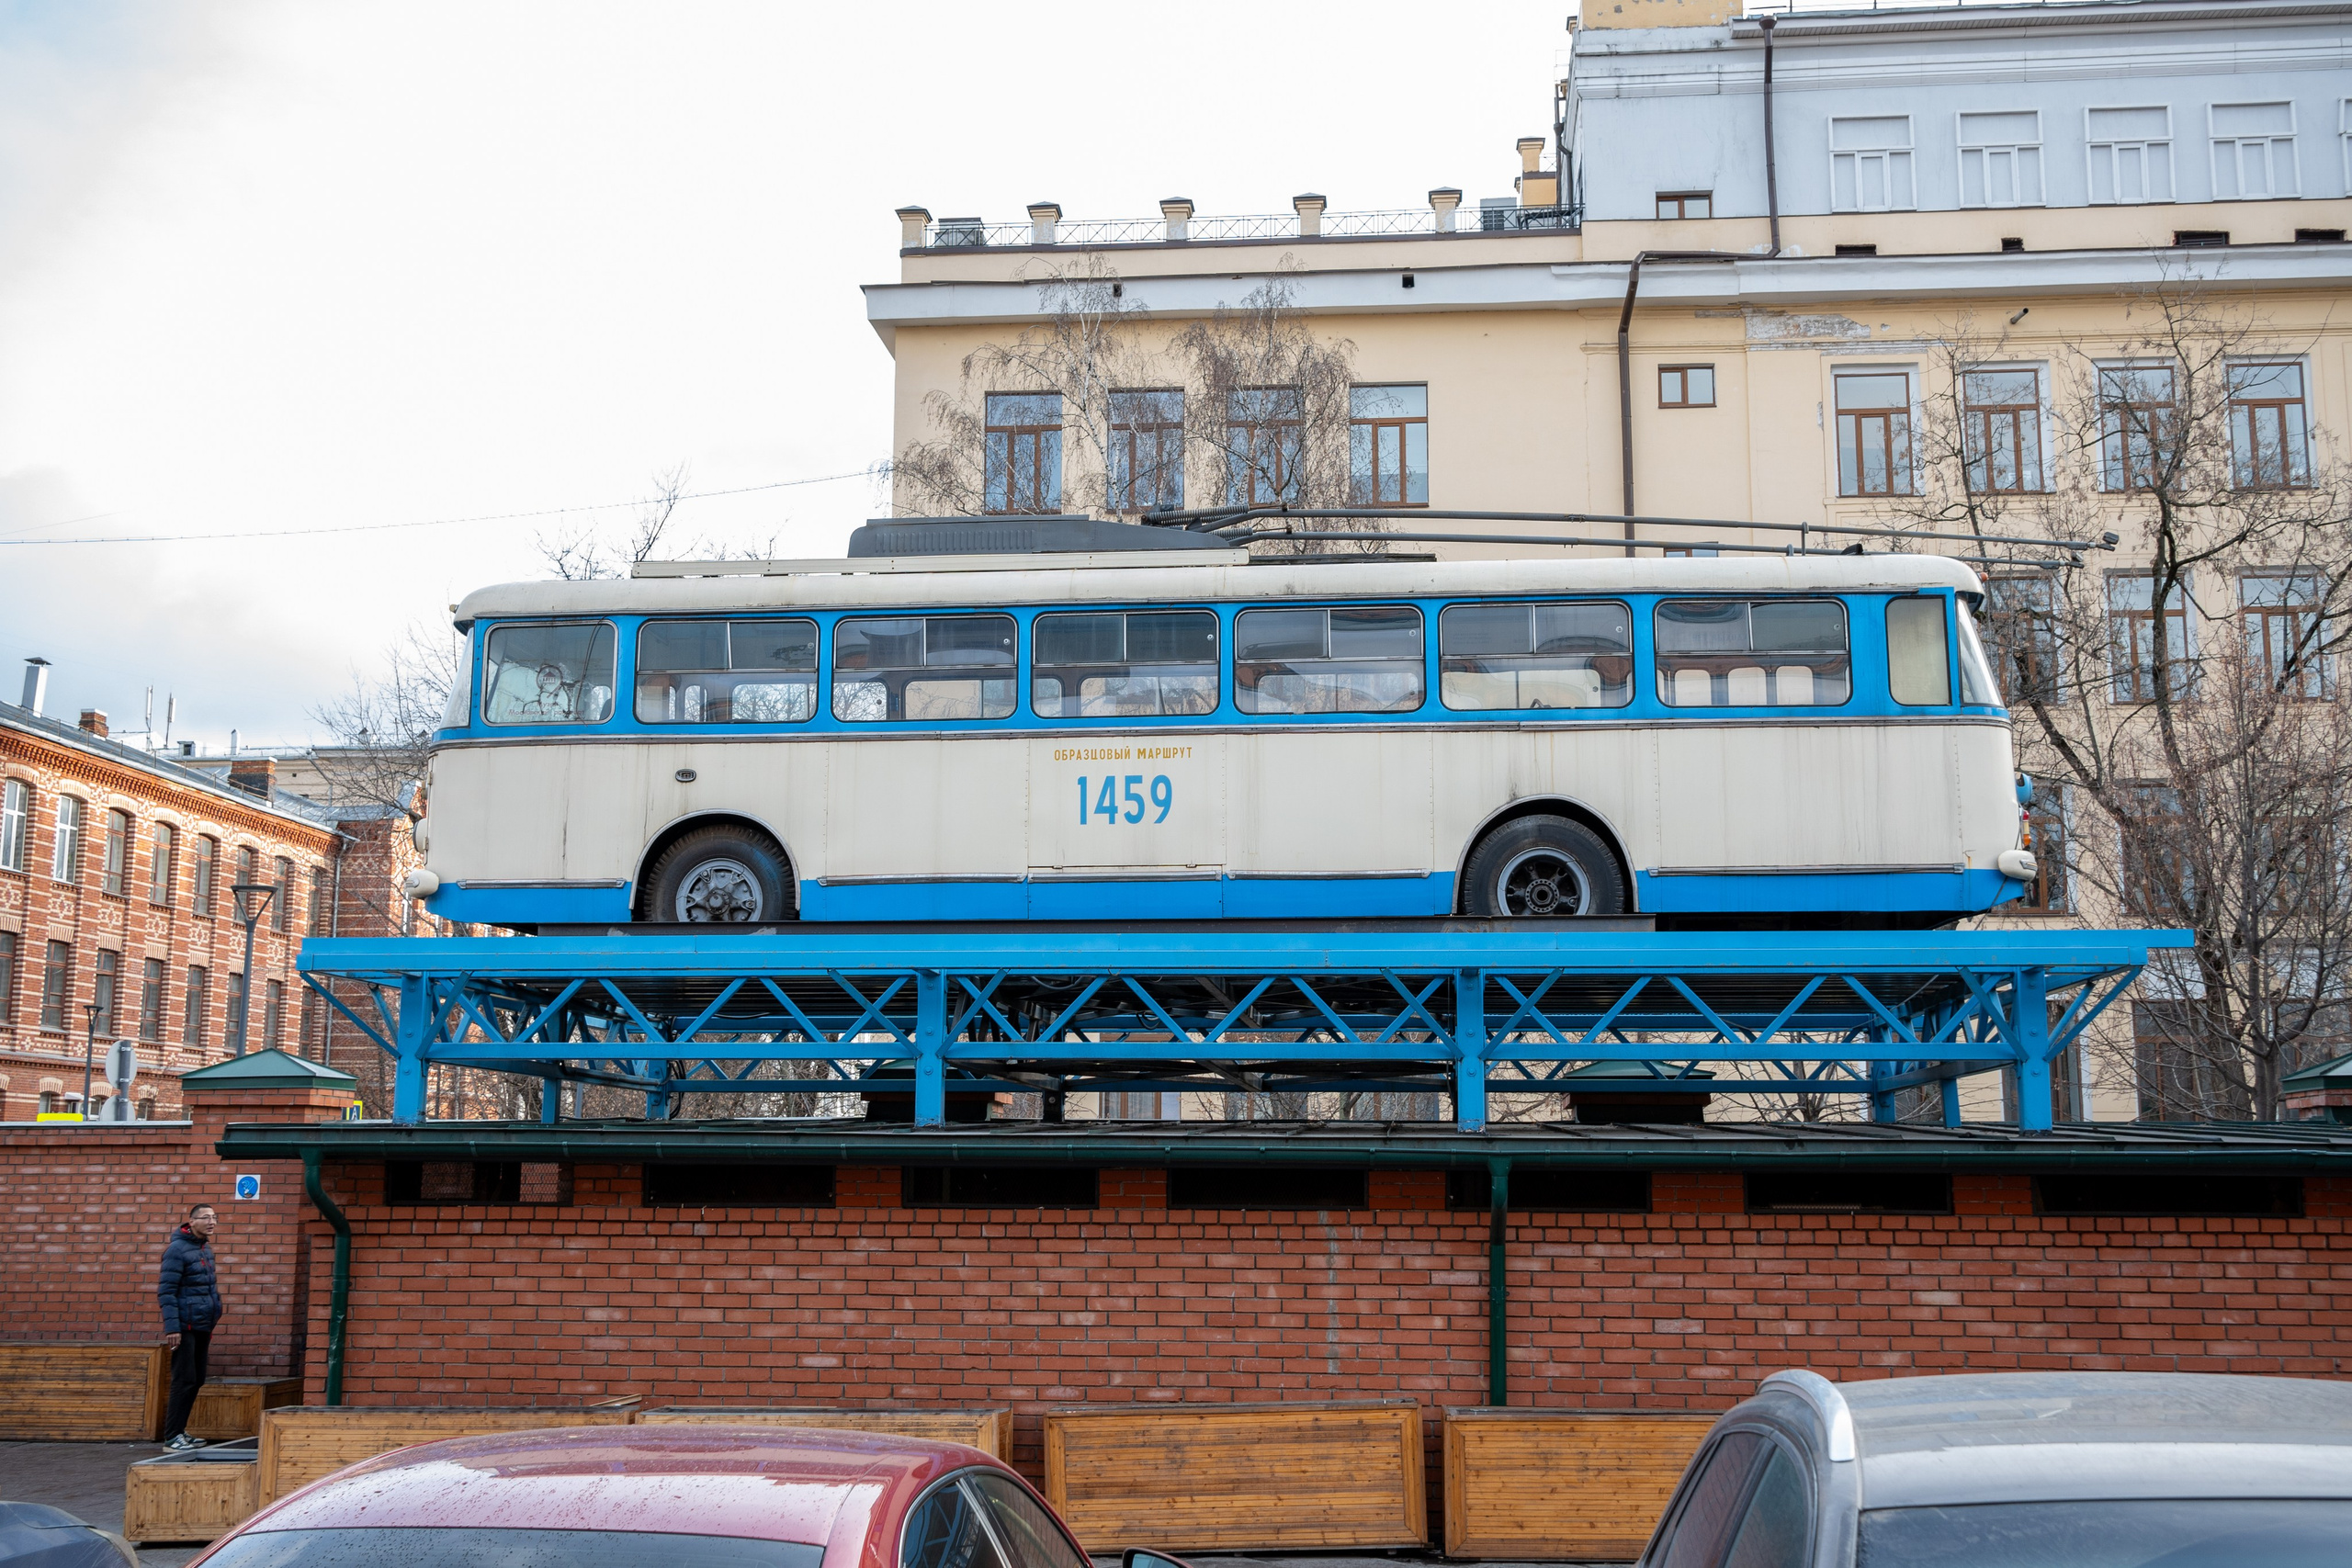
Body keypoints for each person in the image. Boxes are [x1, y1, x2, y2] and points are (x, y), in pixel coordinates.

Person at [157, 1202, 223, 1450]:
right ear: (192, 1221)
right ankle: (172, 1437)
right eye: (206, 1217)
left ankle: (180, 1431)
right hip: (184, 1327)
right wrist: (172, 1328)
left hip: (202, 1325)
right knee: (184, 1380)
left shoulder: (205, 1248)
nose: (211, 1222)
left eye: (214, 1217)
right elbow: (167, 1291)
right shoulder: (176, 1250)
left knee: (196, 1380)